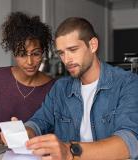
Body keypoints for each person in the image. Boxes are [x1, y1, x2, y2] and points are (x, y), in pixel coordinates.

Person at [16, 17, 138, 160]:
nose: (66, 60)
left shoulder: (128, 83)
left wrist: (69, 151)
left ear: (93, 45)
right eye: (61, 53)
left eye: (72, 50)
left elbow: (130, 143)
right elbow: (39, 121)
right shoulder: (60, 88)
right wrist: (22, 132)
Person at [0, 12, 55, 145]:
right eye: (22, 54)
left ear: (43, 52)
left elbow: (48, 130)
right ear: (14, 53)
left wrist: (7, 136)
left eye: (36, 54)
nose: (30, 62)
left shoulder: (54, 87)